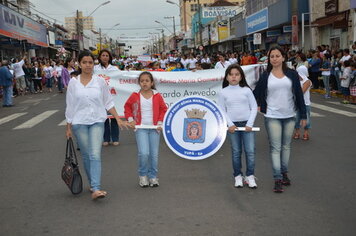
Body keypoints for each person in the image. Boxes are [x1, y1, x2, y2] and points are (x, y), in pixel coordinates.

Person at [65, 51, 128, 200]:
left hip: (97, 121)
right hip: (79, 123)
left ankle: (96, 187)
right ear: (79, 64)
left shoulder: (99, 81)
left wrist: (118, 119)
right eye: (85, 62)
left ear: (94, 64)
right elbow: (70, 106)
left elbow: (108, 102)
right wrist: (68, 128)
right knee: (86, 155)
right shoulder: (73, 83)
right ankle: (93, 184)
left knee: (94, 154)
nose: (88, 65)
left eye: (90, 62)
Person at [253, 46, 306, 193]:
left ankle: (284, 173)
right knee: (275, 148)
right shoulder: (265, 76)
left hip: (290, 115)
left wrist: (303, 115)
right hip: (272, 116)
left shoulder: (292, 74)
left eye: (277, 56)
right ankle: (277, 178)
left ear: (283, 57)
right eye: (272, 56)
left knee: (286, 146)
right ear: (269, 59)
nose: (274, 59)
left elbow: (299, 95)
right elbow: (255, 93)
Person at [124, 71, 167, 188]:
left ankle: (153, 176)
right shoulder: (134, 95)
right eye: (142, 81)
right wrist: (130, 119)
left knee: (154, 155)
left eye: (147, 81)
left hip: (154, 129)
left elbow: (164, 109)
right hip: (140, 128)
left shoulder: (157, 95)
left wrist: (160, 122)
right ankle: (143, 176)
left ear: (151, 82)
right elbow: (127, 107)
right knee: (144, 153)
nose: (144, 83)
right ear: (139, 83)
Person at [218, 64, 258, 189]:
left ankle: (250, 176)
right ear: (227, 77)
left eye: (237, 74)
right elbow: (222, 110)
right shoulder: (223, 92)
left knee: (250, 151)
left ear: (241, 76)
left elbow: (254, 107)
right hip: (233, 127)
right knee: (236, 152)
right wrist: (230, 124)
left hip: (247, 125)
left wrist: (249, 124)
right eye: (231, 74)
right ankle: (238, 176)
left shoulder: (247, 90)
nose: (234, 77)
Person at [94, 49, 120, 146]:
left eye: (107, 55)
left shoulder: (115, 69)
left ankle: (115, 138)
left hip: (114, 95)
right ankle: (106, 139)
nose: (105, 57)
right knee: (103, 118)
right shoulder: (95, 69)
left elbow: (121, 79)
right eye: (103, 55)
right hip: (100, 96)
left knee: (114, 118)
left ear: (109, 57)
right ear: (100, 57)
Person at [294, 65, 312, 141]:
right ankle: (297, 132)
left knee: (306, 119)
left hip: (305, 103)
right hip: (296, 102)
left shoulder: (307, 81)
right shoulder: (296, 80)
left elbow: (301, 92)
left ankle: (305, 133)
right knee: (296, 118)